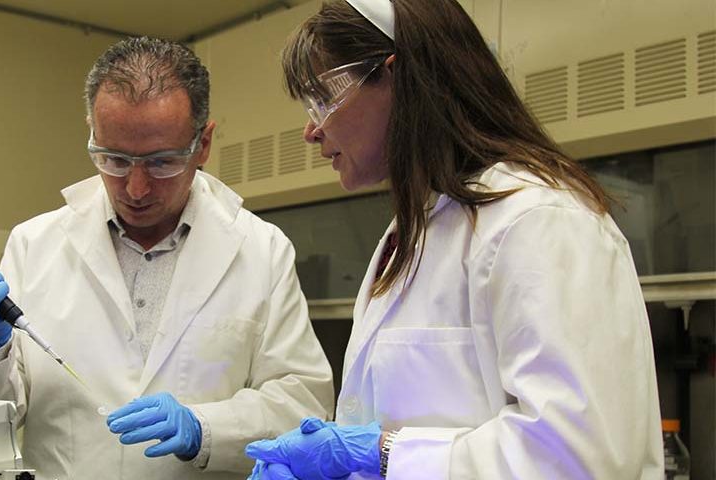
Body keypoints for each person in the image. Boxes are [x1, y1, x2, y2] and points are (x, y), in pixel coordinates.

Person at [245, 0, 663, 478]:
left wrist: (381, 454)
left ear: (398, 79)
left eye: (324, 99)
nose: (312, 129)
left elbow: (579, 455)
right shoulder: (414, 230)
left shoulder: (538, 218)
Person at [0, 37, 334, 479]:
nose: (137, 188)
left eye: (162, 163)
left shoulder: (262, 250)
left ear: (203, 144)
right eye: (115, 160)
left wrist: (205, 428)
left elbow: (302, 405)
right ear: (92, 134)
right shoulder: (34, 244)